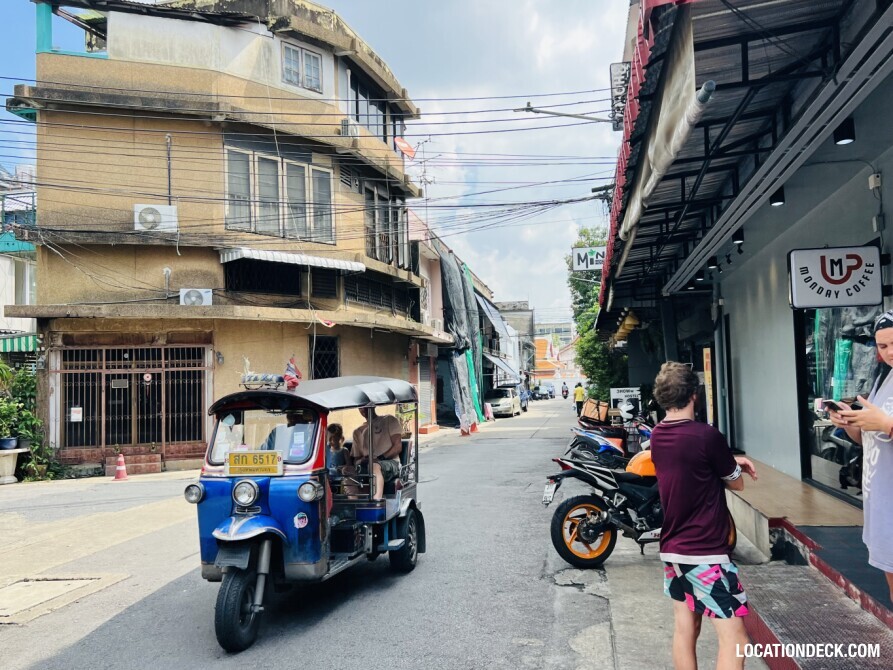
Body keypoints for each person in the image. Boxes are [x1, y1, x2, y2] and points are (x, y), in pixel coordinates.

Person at [649, 362, 757, 670]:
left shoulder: (657, 435)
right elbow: (736, 483)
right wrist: (733, 464)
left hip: (673, 549)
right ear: (694, 395)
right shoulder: (707, 436)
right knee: (735, 638)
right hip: (705, 551)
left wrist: (727, 460)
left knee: (686, 630)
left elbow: (690, 464)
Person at [828, 309, 893, 603]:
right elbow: (869, 439)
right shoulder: (884, 378)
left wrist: (887, 424)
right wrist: (849, 423)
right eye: (883, 346)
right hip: (881, 504)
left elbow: (884, 427)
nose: (889, 352)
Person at [347, 407, 403, 500]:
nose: (363, 409)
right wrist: (362, 460)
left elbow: (397, 446)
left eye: (366, 406)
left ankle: (376, 502)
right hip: (367, 465)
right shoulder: (357, 432)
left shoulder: (389, 420)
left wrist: (379, 458)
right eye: (361, 407)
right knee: (346, 471)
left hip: (390, 462)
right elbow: (356, 459)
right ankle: (353, 503)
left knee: (374, 466)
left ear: (373, 406)